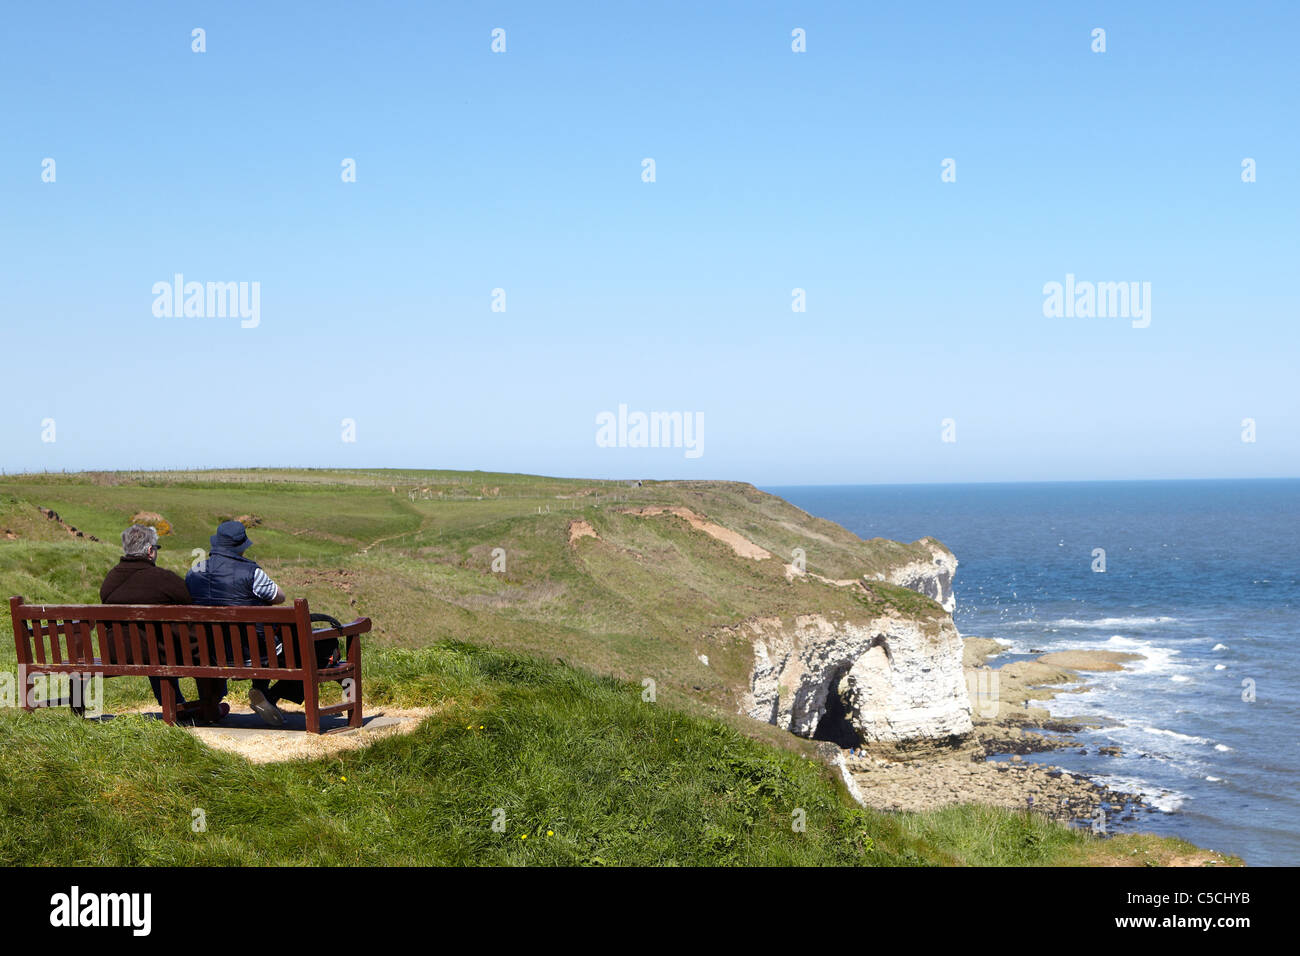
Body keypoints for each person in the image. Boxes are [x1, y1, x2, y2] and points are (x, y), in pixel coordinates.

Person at [100, 525, 227, 722]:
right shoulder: (165, 579)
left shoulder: (110, 580)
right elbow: (190, 605)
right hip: (160, 654)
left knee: (150, 647)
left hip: (120, 653)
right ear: (150, 551)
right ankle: (209, 706)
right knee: (199, 646)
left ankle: (177, 704)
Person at [185, 520, 300, 727]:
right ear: (242, 546)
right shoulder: (251, 572)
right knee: (300, 648)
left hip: (209, 653)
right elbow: (279, 597)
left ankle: (218, 702)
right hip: (253, 654)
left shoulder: (194, 572)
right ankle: (265, 693)